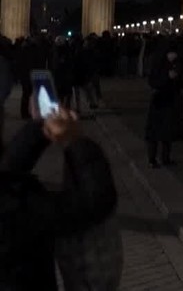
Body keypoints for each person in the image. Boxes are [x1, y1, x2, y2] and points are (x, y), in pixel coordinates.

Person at [0, 109, 119, 291]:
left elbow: (7, 173)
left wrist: (41, 127)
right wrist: (75, 142)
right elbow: (95, 201)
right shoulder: (19, 208)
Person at [144, 43, 183, 168]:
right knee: (154, 133)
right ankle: (152, 159)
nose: (174, 56)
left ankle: (166, 158)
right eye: (172, 53)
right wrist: (167, 77)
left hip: (172, 102)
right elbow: (153, 82)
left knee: (168, 133)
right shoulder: (158, 65)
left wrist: (181, 76)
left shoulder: (177, 64)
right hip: (159, 102)